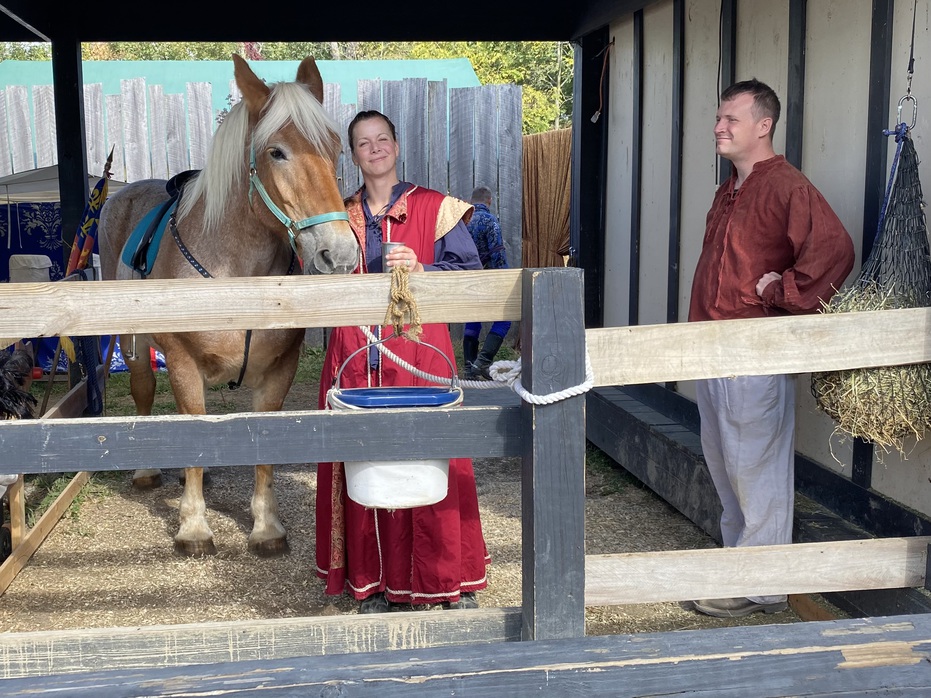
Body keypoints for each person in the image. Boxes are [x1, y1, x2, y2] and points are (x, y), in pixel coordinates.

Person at [687, 79, 855, 618]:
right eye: (719, 117)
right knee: (726, 463)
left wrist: (781, 291)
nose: (719, 126)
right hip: (712, 347)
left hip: (754, 350)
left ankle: (760, 584)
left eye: (731, 119)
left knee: (753, 467)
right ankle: (742, 567)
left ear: (764, 125)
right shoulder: (731, 187)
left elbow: (834, 250)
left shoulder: (786, 185)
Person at [315, 110, 490, 614]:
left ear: (396, 145)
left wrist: (422, 267)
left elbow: (468, 280)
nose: (375, 149)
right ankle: (373, 582)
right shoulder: (337, 214)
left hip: (417, 353)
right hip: (354, 354)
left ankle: (445, 580)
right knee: (365, 459)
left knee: (430, 456)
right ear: (353, 155)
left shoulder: (436, 209)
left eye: (382, 139)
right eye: (364, 143)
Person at [462, 185, 512, 380]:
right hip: (490, 279)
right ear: (489, 200)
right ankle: (483, 362)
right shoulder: (490, 221)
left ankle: (468, 367)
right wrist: (505, 280)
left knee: (473, 317)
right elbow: (497, 253)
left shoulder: (463, 222)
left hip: (467, 279)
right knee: (504, 319)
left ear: (470, 200)